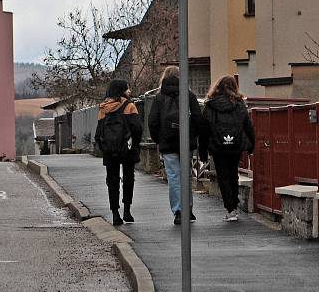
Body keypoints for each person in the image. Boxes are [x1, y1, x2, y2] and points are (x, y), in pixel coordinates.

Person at [148, 66, 203, 225]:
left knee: (173, 177)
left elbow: (153, 121)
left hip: (168, 143)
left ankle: (178, 210)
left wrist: (159, 140)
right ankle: (189, 209)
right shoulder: (189, 95)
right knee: (186, 175)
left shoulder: (159, 98)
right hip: (186, 143)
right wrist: (194, 137)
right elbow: (198, 118)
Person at [199, 75, 254, 222]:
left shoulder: (210, 105)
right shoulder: (239, 103)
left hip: (218, 146)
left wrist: (202, 151)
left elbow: (204, 130)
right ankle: (234, 205)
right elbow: (248, 125)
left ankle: (230, 209)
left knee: (223, 177)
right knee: (233, 174)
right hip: (235, 145)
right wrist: (251, 145)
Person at [95, 79, 142, 226]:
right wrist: (134, 145)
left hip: (110, 150)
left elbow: (98, 133)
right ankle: (127, 211)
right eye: (127, 89)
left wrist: (104, 148)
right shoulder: (130, 106)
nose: (129, 91)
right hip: (127, 149)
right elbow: (137, 129)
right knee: (128, 178)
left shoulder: (103, 108)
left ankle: (115, 214)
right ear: (122, 90)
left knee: (112, 180)